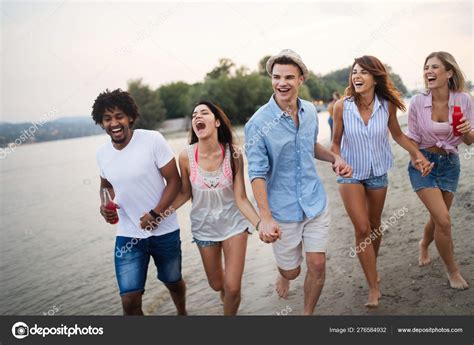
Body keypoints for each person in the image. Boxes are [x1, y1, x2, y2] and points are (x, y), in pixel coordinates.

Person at [244, 49, 352, 315]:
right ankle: (283, 273)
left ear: (301, 79)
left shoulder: (309, 112)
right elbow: (256, 173)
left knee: (317, 265)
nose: (282, 83)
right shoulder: (257, 123)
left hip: (314, 202)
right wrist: (265, 218)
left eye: (289, 77)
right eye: (277, 77)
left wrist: (334, 158)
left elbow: (310, 145)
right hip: (282, 211)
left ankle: (307, 315)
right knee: (292, 271)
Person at [330, 55, 433, 308]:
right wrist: (337, 160)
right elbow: (334, 142)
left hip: (377, 171)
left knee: (375, 226)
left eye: (363, 72)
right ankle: (373, 286)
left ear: (376, 78)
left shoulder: (386, 105)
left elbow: (397, 135)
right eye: (354, 72)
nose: (357, 76)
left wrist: (417, 154)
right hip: (350, 172)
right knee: (362, 228)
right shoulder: (342, 106)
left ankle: (370, 267)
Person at [92, 89, 187, 315]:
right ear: (101, 123)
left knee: (172, 281)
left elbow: (174, 181)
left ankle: (182, 312)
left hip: (165, 230)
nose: (114, 123)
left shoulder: (152, 139)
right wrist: (105, 206)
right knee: (130, 302)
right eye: (107, 118)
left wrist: (156, 214)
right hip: (127, 235)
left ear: (130, 117)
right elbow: (106, 186)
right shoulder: (102, 154)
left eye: (118, 116)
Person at [171, 101, 260, 315]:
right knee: (217, 285)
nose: (197, 117)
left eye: (204, 113)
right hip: (204, 228)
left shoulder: (234, 154)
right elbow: (184, 193)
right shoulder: (186, 156)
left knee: (233, 286)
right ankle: (227, 299)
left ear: (217, 122)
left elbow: (241, 198)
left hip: (234, 225)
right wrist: (158, 214)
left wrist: (260, 223)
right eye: (194, 115)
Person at [407, 51, 472, 290]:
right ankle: (453, 272)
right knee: (444, 221)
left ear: (449, 73)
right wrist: (418, 158)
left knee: (438, 218)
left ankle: (424, 243)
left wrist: (466, 130)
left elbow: (470, 140)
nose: (428, 72)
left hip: (450, 165)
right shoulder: (416, 102)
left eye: (434, 67)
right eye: (426, 68)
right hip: (424, 165)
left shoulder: (464, 100)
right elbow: (412, 138)